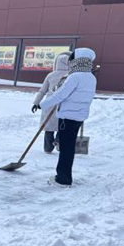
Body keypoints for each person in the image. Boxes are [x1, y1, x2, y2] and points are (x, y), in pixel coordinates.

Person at [39, 48, 97, 186]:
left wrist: (43, 104)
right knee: (68, 148)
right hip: (78, 117)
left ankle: (62, 178)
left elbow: (60, 95)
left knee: (66, 149)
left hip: (68, 117)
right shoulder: (91, 77)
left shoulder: (75, 76)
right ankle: (65, 176)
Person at [31, 51, 70, 153]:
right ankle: (58, 141)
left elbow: (42, 91)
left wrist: (36, 103)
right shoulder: (71, 76)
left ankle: (48, 148)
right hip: (64, 103)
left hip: (50, 102)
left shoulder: (51, 75)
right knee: (63, 126)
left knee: (49, 126)